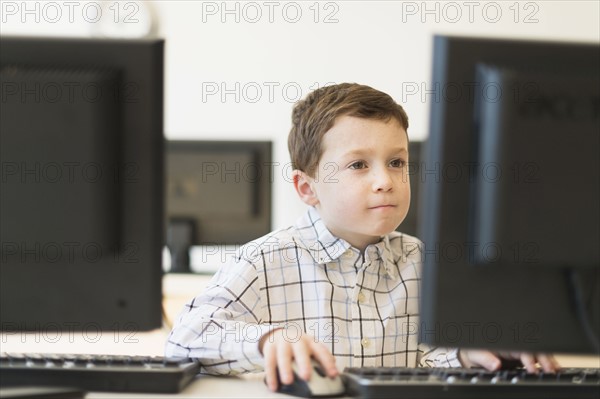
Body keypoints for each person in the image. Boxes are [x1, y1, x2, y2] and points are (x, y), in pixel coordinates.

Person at [165, 83, 559, 391]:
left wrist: (473, 354)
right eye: (358, 164)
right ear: (307, 188)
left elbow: (435, 355)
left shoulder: (423, 261)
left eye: (397, 162)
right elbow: (184, 338)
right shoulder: (265, 260)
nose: (384, 181)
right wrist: (266, 338)